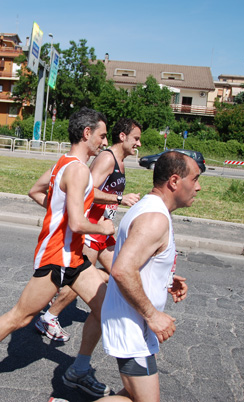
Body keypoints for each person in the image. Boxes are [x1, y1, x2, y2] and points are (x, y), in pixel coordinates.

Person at [0, 108, 115, 398]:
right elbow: (77, 223)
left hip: (74, 258)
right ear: (86, 133)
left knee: (105, 309)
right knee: (21, 317)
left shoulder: (64, 164)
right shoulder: (77, 170)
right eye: (102, 135)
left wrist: (56, 214)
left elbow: (35, 191)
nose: (104, 142)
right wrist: (102, 228)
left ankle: (79, 369)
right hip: (56, 258)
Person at [100, 151, 198, 402]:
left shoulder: (150, 208)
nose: (198, 187)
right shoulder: (154, 218)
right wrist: (153, 315)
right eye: (195, 179)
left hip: (134, 323)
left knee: (134, 396)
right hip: (132, 326)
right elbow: (122, 270)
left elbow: (139, 260)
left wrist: (165, 278)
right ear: (175, 182)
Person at [35, 118, 143, 342]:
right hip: (92, 229)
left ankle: (131, 313)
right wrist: (120, 199)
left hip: (103, 229)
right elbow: (88, 191)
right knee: (81, 274)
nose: (139, 144)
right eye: (136, 139)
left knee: (119, 272)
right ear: (122, 137)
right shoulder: (107, 159)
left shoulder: (120, 161)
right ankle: (50, 315)